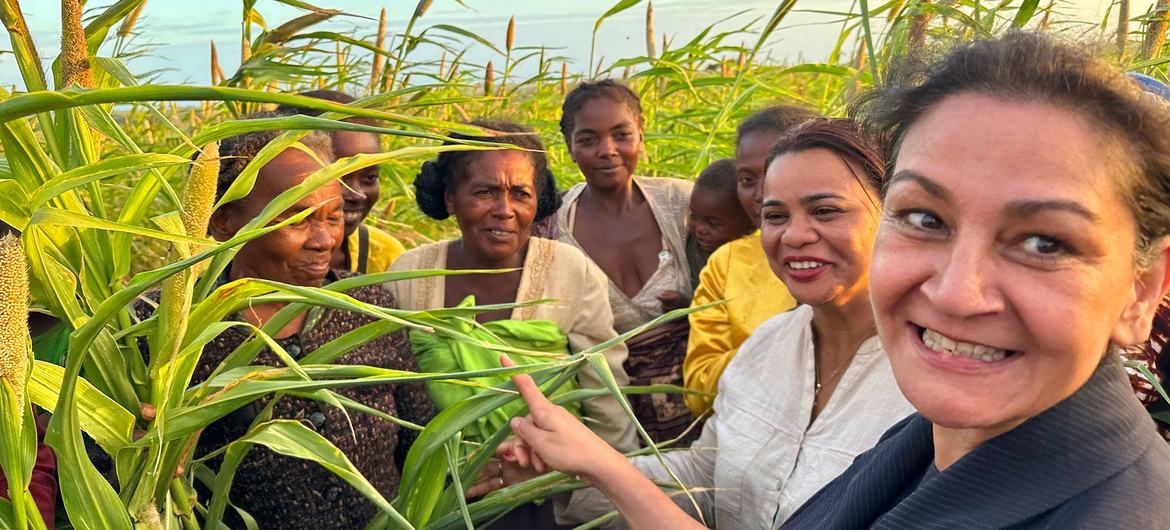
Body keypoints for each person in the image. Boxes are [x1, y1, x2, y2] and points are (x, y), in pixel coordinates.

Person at [778, 32, 1170, 528]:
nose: (956, 293)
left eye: (1044, 243)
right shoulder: (929, 446)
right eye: (924, 219)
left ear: (1141, 291)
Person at [473, 119, 916, 529]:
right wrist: (560, 476)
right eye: (775, 215)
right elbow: (706, 475)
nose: (794, 235)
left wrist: (600, 464)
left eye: (825, 211)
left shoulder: (931, 383)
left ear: (893, 212)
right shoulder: (768, 346)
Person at [145, 118, 435, 529]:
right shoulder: (163, 328)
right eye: (297, 219)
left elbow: (419, 439)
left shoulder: (366, 306)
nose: (324, 240)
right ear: (224, 220)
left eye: (333, 217)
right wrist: (146, 450)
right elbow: (106, 466)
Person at [388, 120, 637, 453]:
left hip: (552, 485)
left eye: (521, 194)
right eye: (485, 192)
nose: (505, 211)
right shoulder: (408, 274)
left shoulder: (568, 271)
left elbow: (605, 394)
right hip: (439, 488)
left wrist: (613, 479)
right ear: (450, 198)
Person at [555, 79, 696, 444]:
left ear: (641, 135)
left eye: (621, 134)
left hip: (709, 416)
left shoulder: (683, 204)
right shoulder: (554, 233)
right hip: (612, 431)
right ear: (569, 148)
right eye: (588, 140)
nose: (608, 150)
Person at [683, 105, 819, 415]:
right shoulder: (727, 263)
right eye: (747, 179)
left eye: (775, 171)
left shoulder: (854, 255)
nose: (762, 193)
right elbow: (698, 389)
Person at [276, 89, 407, 274]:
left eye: (370, 178)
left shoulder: (384, 256)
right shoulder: (228, 255)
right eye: (337, 175)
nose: (357, 194)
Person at [684, 158, 755, 288]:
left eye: (712, 224)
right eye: (693, 216)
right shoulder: (688, 244)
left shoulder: (751, 263)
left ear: (750, 225)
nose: (699, 229)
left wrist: (684, 303)